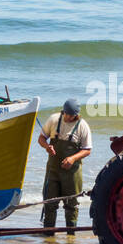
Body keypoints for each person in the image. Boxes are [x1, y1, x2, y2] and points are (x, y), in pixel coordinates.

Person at [37, 98, 92, 233]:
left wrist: (72, 158)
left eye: (70, 115)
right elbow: (41, 138)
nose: (67, 117)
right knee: (49, 203)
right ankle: (48, 236)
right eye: (65, 114)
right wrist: (47, 147)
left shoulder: (82, 126)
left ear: (76, 114)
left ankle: (71, 236)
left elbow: (87, 149)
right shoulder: (54, 120)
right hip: (53, 170)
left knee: (71, 205)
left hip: (72, 173)